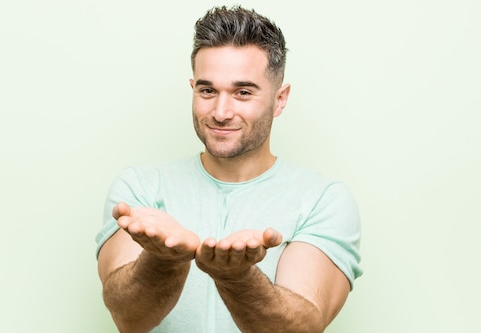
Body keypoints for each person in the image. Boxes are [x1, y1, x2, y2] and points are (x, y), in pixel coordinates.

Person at [95, 5, 362, 333]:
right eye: (207, 90)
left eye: (243, 92)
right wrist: (163, 262)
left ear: (280, 99)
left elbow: (301, 327)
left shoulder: (323, 200)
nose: (221, 112)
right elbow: (128, 319)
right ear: (192, 88)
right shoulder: (139, 188)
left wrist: (237, 278)